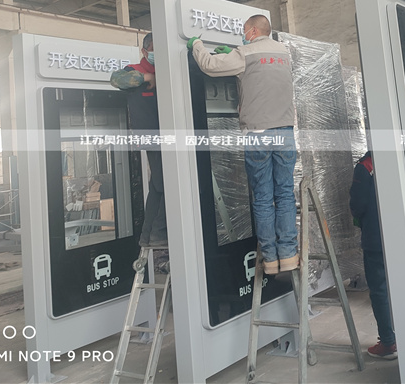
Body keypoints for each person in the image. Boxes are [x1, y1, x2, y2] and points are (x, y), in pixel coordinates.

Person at [187, 15, 297, 275]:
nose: (243, 35)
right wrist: (235, 55)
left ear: (254, 31)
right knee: (284, 194)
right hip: (285, 131)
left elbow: (210, 66)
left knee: (263, 196)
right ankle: (289, 255)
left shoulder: (245, 54)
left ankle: (269, 259)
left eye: (245, 30)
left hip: (258, 132)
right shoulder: (284, 53)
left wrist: (196, 45)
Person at [110, 33, 169, 264]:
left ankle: (149, 235)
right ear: (144, 51)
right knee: (168, 184)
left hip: (170, 136)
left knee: (158, 185)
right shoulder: (134, 70)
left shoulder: (168, 69)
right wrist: (147, 76)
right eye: (153, 49)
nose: (157, 53)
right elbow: (116, 80)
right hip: (152, 136)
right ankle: (160, 233)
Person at [349, 150, 397, 360]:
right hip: (402, 239)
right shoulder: (401, 159)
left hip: (376, 239)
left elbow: (357, 205)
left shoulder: (366, 166)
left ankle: (388, 342)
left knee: (380, 291)